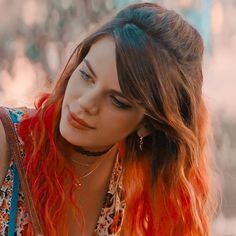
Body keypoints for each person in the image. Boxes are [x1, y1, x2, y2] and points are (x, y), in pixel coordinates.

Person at [0, 2, 219, 236]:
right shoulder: (7, 142)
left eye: (117, 100)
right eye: (86, 75)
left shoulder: (130, 192)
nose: (85, 103)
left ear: (147, 124)